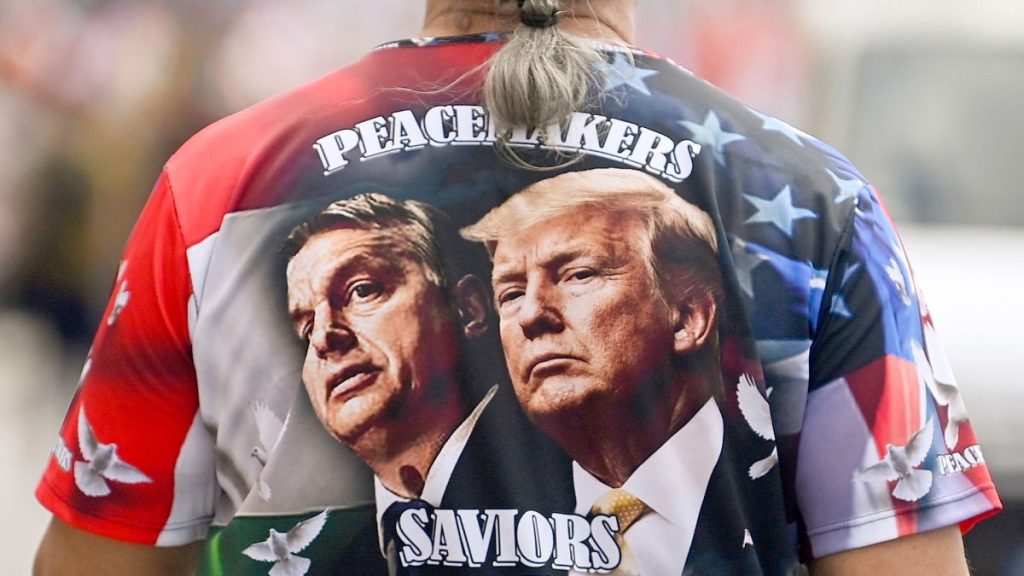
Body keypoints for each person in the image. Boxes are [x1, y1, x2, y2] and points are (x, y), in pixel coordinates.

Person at [34, 1, 1000, 575]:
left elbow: (95, 559)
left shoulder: (218, 185)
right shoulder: (815, 200)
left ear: (691, 311)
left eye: (576, 274)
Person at [462, 168, 736, 574]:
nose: (532, 314)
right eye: (512, 294)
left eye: (579, 275)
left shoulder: (782, 485)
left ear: (687, 317)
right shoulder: (473, 518)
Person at [283, 193, 572, 573]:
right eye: (305, 328)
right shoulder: (332, 564)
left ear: (469, 309)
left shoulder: (589, 483)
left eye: (362, 291)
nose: (323, 337)